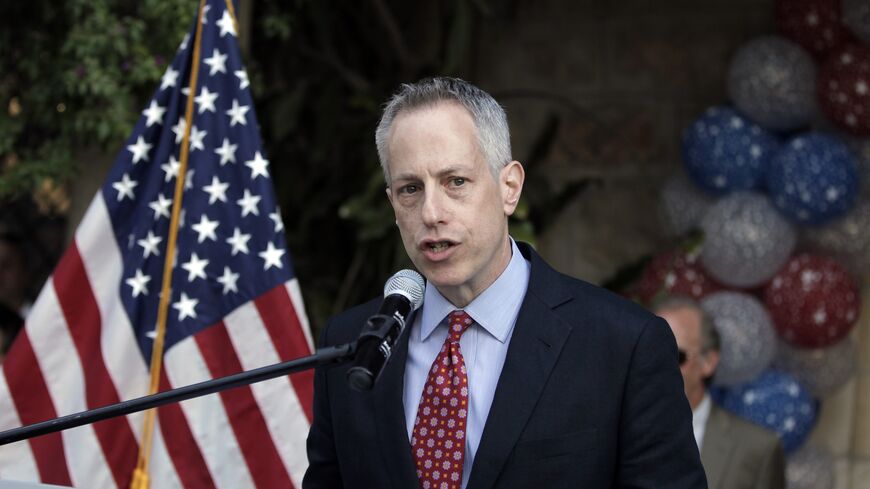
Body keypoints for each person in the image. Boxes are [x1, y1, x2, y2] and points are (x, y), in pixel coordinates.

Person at [303, 77, 706, 489]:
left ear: (509, 187)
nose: (431, 212)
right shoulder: (354, 344)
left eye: (455, 181)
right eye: (410, 189)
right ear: (392, 204)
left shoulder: (624, 346)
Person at [655, 296, 784, 489]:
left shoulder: (757, 448)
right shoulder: (615, 431)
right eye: (651, 352)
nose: (660, 365)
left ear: (708, 362)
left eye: (676, 355)